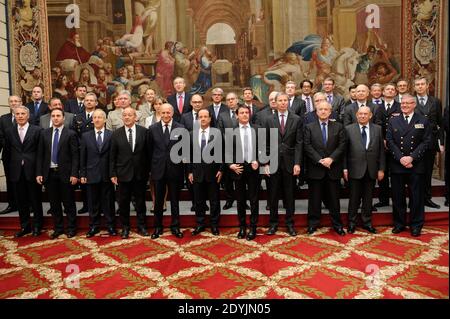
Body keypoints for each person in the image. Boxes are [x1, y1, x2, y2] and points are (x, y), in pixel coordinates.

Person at [386, 94, 432, 237]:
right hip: (397, 164)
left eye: (407, 103)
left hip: (416, 164)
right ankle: (399, 224)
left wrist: (411, 157)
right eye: (402, 103)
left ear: (414, 104)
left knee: (416, 197)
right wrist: (401, 158)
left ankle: (416, 225)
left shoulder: (423, 120)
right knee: (397, 196)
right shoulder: (393, 120)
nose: (404, 105)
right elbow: (390, 141)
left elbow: (426, 141)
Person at [304, 101, 346, 236]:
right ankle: (312, 224)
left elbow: (342, 145)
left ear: (330, 112)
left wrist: (331, 159)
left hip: (333, 169)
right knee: (314, 200)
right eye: (320, 109)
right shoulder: (309, 127)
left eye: (326, 109)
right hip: (316, 169)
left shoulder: (338, 127)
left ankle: (337, 225)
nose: (323, 111)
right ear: (316, 112)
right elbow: (307, 146)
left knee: (334, 200)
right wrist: (319, 160)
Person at [36, 108, 79, 239]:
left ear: (63, 118)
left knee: (69, 203)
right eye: (53, 116)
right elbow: (40, 155)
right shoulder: (44, 134)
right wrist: (39, 173)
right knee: (54, 204)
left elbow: (75, 156)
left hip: (65, 174)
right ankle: (58, 228)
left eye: (58, 116)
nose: (55, 118)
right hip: (49, 174)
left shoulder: (70, 134)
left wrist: (74, 174)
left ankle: (72, 228)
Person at [264, 92, 303, 236]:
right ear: (275, 102)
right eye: (279, 100)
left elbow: (299, 143)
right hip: (273, 162)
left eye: (285, 100)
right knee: (273, 195)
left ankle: (290, 224)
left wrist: (297, 163)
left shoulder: (297, 119)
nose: (282, 103)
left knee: (289, 195)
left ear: (288, 102)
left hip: (290, 163)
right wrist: (265, 163)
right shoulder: (269, 120)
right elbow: (265, 142)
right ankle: (273, 224)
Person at [343, 106, 385, 234]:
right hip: (354, 169)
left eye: (365, 114)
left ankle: (367, 222)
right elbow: (344, 151)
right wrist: (344, 168)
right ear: (356, 115)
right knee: (354, 198)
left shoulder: (377, 129)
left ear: (370, 115)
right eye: (360, 114)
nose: (362, 116)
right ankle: (351, 223)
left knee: (368, 199)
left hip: (372, 169)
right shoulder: (348, 129)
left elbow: (381, 152)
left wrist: (381, 169)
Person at [110, 107, 149, 239]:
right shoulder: (116, 134)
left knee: (140, 202)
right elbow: (112, 156)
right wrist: (113, 173)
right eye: (124, 115)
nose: (127, 117)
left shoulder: (144, 132)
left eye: (130, 115)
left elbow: (148, 153)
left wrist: (148, 172)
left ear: (135, 117)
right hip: (122, 174)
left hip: (140, 174)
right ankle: (125, 227)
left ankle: (142, 226)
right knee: (123, 203)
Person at [4, 106, 43, 237]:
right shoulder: (9, 131)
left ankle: (38, 226)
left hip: (32, 171)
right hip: (16, 171)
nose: (20, 116)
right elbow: (7, 153)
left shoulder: (37, 130)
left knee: (35, 200)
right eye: (17, 114)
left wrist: (39, 172)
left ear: (28, 116)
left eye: (22, 114)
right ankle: (25, 226)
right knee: (21, 201)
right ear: (14, 116)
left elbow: (40, 153)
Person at [147, 104, 185, 239]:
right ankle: (158, 227)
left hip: (175, 170)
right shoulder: (152, 129)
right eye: (163, 113)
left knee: (175, 200)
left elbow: (183, 150)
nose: (165, 115)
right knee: (158, 202)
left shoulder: (180, 128)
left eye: (168, 113)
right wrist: (151, 169)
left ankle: (175, 227)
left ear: (172, 113)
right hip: (158, 170)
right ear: (160, 113)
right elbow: (149, 151)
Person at [80, 109, 116, 237]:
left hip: (107, 175)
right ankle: (94, 226)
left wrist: (113, 174)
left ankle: (111, 226)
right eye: (95, 117)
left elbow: (113, 157)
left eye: (100, 117)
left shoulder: (111, 135)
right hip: (91, 174)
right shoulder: (85, 136)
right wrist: (82, 174)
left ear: (105, 119)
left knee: (108, 203)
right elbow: (82, 157)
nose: (97, 119)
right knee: (92, 202)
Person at [227, 106, 261, 240]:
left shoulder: (258, 129)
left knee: (254, 199)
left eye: (247, 112)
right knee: (240, 200)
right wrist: (231, 164)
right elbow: (227, 151)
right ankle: (242, 227)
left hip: (253, 168)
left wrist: (259, 161)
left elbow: (264, 148)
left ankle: (253, 227)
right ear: (237, 115)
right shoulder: (231, 132)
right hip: (238, 169)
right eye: (241, 113)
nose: (245, 115)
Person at [188, 108, 223, 236]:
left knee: (214, 200)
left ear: (209, 119)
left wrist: (221, 169)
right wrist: (190, 171)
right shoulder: (191, 134)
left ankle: (214, 225)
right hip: (197, 173)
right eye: (200, 117)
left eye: (205, 116)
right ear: (197, 119)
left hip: (213, 173)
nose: (202, 119)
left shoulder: (217, 133)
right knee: (198, 201)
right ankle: (200, 224)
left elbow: (222, 153)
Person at [414, 76, 444, 209]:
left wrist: (440, 142)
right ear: (414, 87)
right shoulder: (409, 101)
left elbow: (440, 123)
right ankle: (415, 200)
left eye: (422, 84)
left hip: (430, 143)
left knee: (427, 172)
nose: (420, 86)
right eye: (417, 84)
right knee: (414, 174)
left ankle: (427, 198)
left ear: (427, 86)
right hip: (414, 143)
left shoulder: (436, 101)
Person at [373, 83, 401, 208]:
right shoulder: (377, 107)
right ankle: (383, 199)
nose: (390, 91)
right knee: (382, 172)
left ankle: (396, 199)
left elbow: (401, 125)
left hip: (396, 145)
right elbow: (376, 124)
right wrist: (382, 139)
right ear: (383, 92)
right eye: (387, 89)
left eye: (392, 89)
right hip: (381, 144)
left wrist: (390, 140)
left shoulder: (400, 106)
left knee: (395, 173)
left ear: (395, 93)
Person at [217, 93, 240, 210]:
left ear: (237, 100)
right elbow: (220, 133)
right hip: (227, 150)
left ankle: (242, 201)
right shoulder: (222, 115)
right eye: (228, 99)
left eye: (233, 99)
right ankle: (229, 199)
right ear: (226, 102)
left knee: (241, 178)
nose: (231, 101)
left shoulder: (242, 112)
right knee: (228, 179)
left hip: (241, 151)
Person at [0, 95, 21, 214]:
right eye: (11, 101)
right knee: (10, 180)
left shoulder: (29, 117)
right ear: (9, 103)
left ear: (21, 102)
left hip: (24, 156)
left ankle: (27, 204)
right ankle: (12, 204)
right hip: (8, 155)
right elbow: (0, 136)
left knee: (24, 180)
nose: (14, 103)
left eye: (16, 101)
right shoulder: (3, 119)